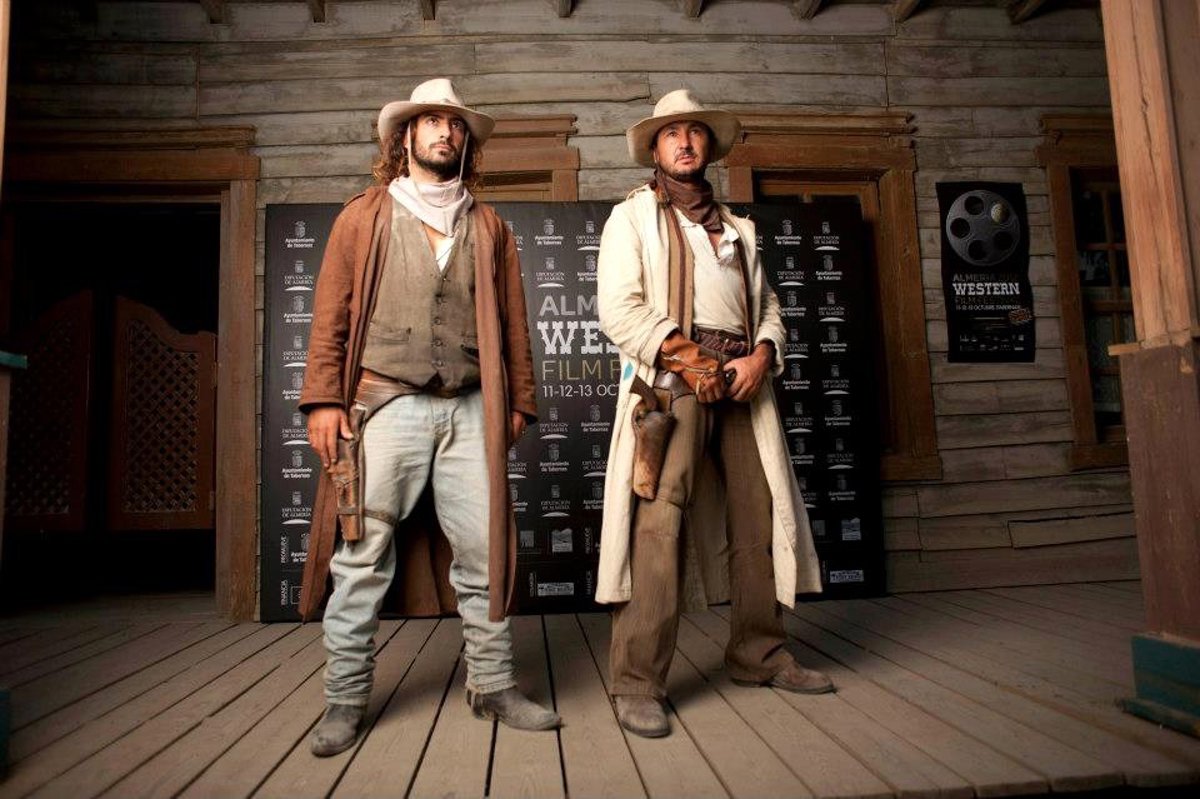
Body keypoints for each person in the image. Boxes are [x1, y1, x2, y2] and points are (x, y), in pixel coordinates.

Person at [299, 78, 560, 757]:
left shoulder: (490, 226)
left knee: (485, 552)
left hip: (472, 408)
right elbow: (330, 315)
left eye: (456, 123)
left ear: (466, 142)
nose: (445, 130)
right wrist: (324, 398)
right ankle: (344, 699)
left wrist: (519, 403)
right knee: (362, 555)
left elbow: (514, 326)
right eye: (432, 120)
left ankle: (493, 685)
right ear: (406, 136)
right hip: (385, 403)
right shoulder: (364, 216)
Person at [596, 89, 835, 739]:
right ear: (655, 148)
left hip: (742, 383)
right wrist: (693, 361)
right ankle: (638, 680)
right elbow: (619, 309)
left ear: (708, 147)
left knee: (756, 515)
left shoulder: (739, 229)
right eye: (671, 132)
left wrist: (762, 354)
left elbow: (769, 309)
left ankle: (759, 654)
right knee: (658, 522)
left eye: (695, 132)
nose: (684, 141)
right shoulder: (632, 218)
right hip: (672, 380)